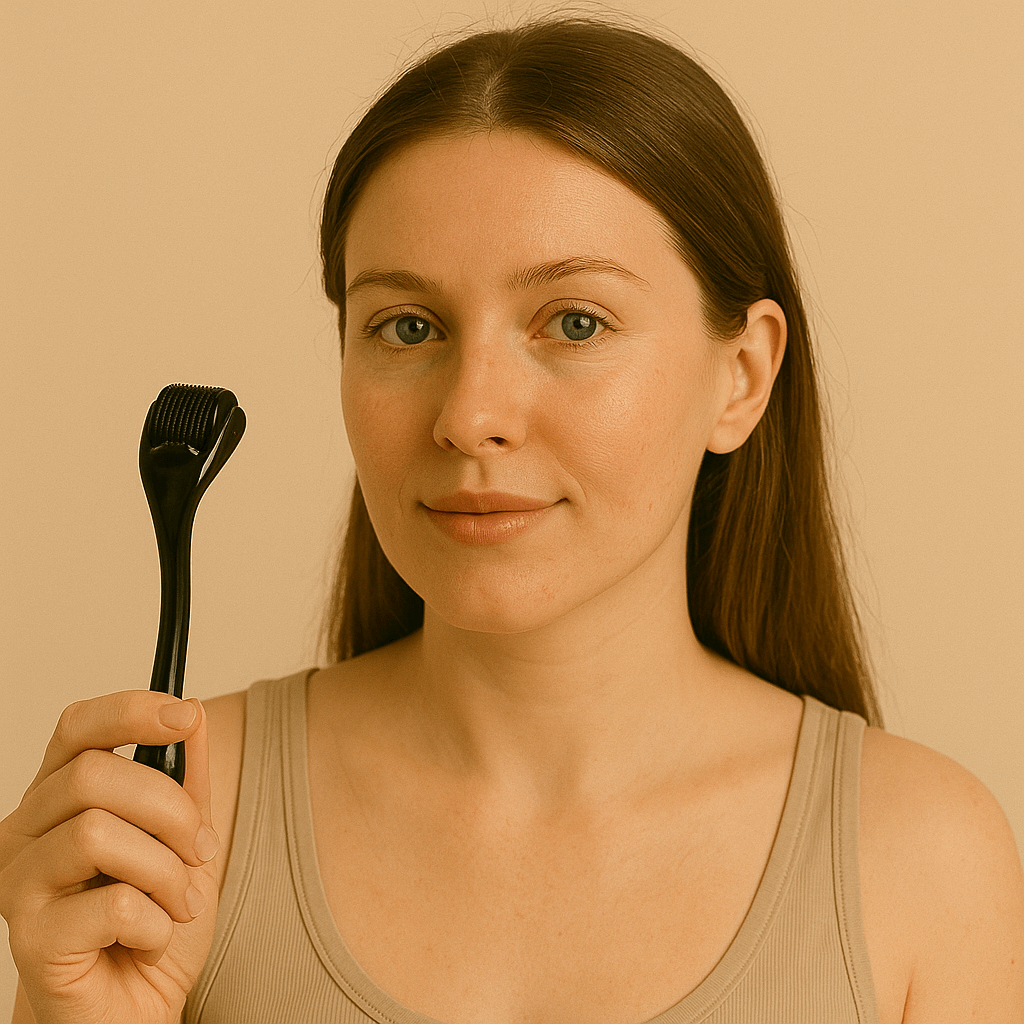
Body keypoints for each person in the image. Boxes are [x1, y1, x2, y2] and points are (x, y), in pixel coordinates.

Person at [3, 11, 1022, 1024]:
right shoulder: (167, 829)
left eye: (575, 322)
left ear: (742, 376)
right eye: (408, 327)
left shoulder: (924, 862)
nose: (468, 414)